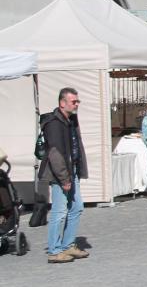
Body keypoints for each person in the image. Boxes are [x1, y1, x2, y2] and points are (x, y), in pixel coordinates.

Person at [41, 87, 89, 263]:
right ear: (62, 103)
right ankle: (54, 251)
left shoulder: (71, 120)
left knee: (76, 207)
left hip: (72, 170)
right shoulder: (54, 123)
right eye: (73, 101)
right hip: (60, 174)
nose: (76, 104)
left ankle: (68, 245)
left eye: (77, 101)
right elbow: (55, 154)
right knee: (60, 211)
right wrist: (64, 179)